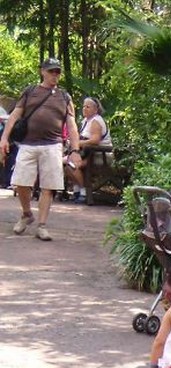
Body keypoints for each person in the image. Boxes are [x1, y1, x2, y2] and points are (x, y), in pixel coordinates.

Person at [0, 58, 82, 241]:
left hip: (53, 145)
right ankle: (27, 213)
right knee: (20, 181)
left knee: (48, 186)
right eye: (51, 71)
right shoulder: (30, 92)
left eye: (57, 72)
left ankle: (42, 225)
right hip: (28, 144)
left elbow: (72, 124)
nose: (55, 75)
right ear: (42, 72)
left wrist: (75, 150)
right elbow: (14, 115)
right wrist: (4, 138)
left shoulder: (64, 97)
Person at [65, 96, 112, 203]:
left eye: (88, 107)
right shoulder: (86, 121)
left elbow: (95, 140)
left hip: (100, 156)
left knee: (72, 165)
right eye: (84, 106)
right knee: (66, 164)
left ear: (95, 109)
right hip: (87, 154)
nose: (84, 109)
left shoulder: (96, 121)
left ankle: (84, 192)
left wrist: (77, 143)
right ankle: (77, 191)